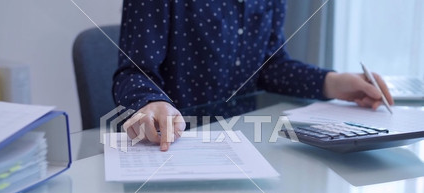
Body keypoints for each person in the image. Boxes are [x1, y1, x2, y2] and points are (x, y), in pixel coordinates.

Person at [113, 0, 393, 151]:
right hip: (171, 148)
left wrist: (332, 83)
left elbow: (269, 66)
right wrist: (150, 101)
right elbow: (133, 71)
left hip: (242, 145)